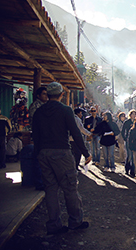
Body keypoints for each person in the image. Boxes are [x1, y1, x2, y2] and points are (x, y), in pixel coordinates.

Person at [32, 82, 92, 235]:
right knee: (70, 187)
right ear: (61, 94)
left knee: (51, 189)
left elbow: (36, 135)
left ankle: (54, 225)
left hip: (44, 153)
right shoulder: (65, 110)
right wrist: (85, 153)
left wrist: (38, 154)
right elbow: (75, 133)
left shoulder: (38, 112)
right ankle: (75, 221)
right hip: (62, 153)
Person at [122, 109, 136, 176]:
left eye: (134, 114)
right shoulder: (127, 122)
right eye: (132, 114)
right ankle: (127, 168)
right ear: (130, 115)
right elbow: (123, 131)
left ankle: (133, 171)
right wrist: (125, 138)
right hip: (128, 141)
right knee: (129, 155)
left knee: (134, 156)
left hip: (135, 141)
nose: (133, 115)